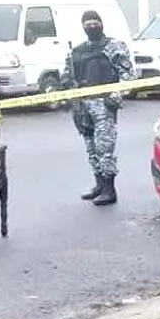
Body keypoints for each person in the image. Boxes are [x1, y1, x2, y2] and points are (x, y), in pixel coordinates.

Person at [62, 10, 136, 206]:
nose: (91, 26)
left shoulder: (113, 46)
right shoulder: (77, 51)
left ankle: (110, 190)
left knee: (105, 148)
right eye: (87, 23)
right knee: (91, 148)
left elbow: (128, 75)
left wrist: (116, 97)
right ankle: (99, 185)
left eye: (95, 22)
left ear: (102, 23)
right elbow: (69, 77)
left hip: (104, 105)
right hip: (83, 105)